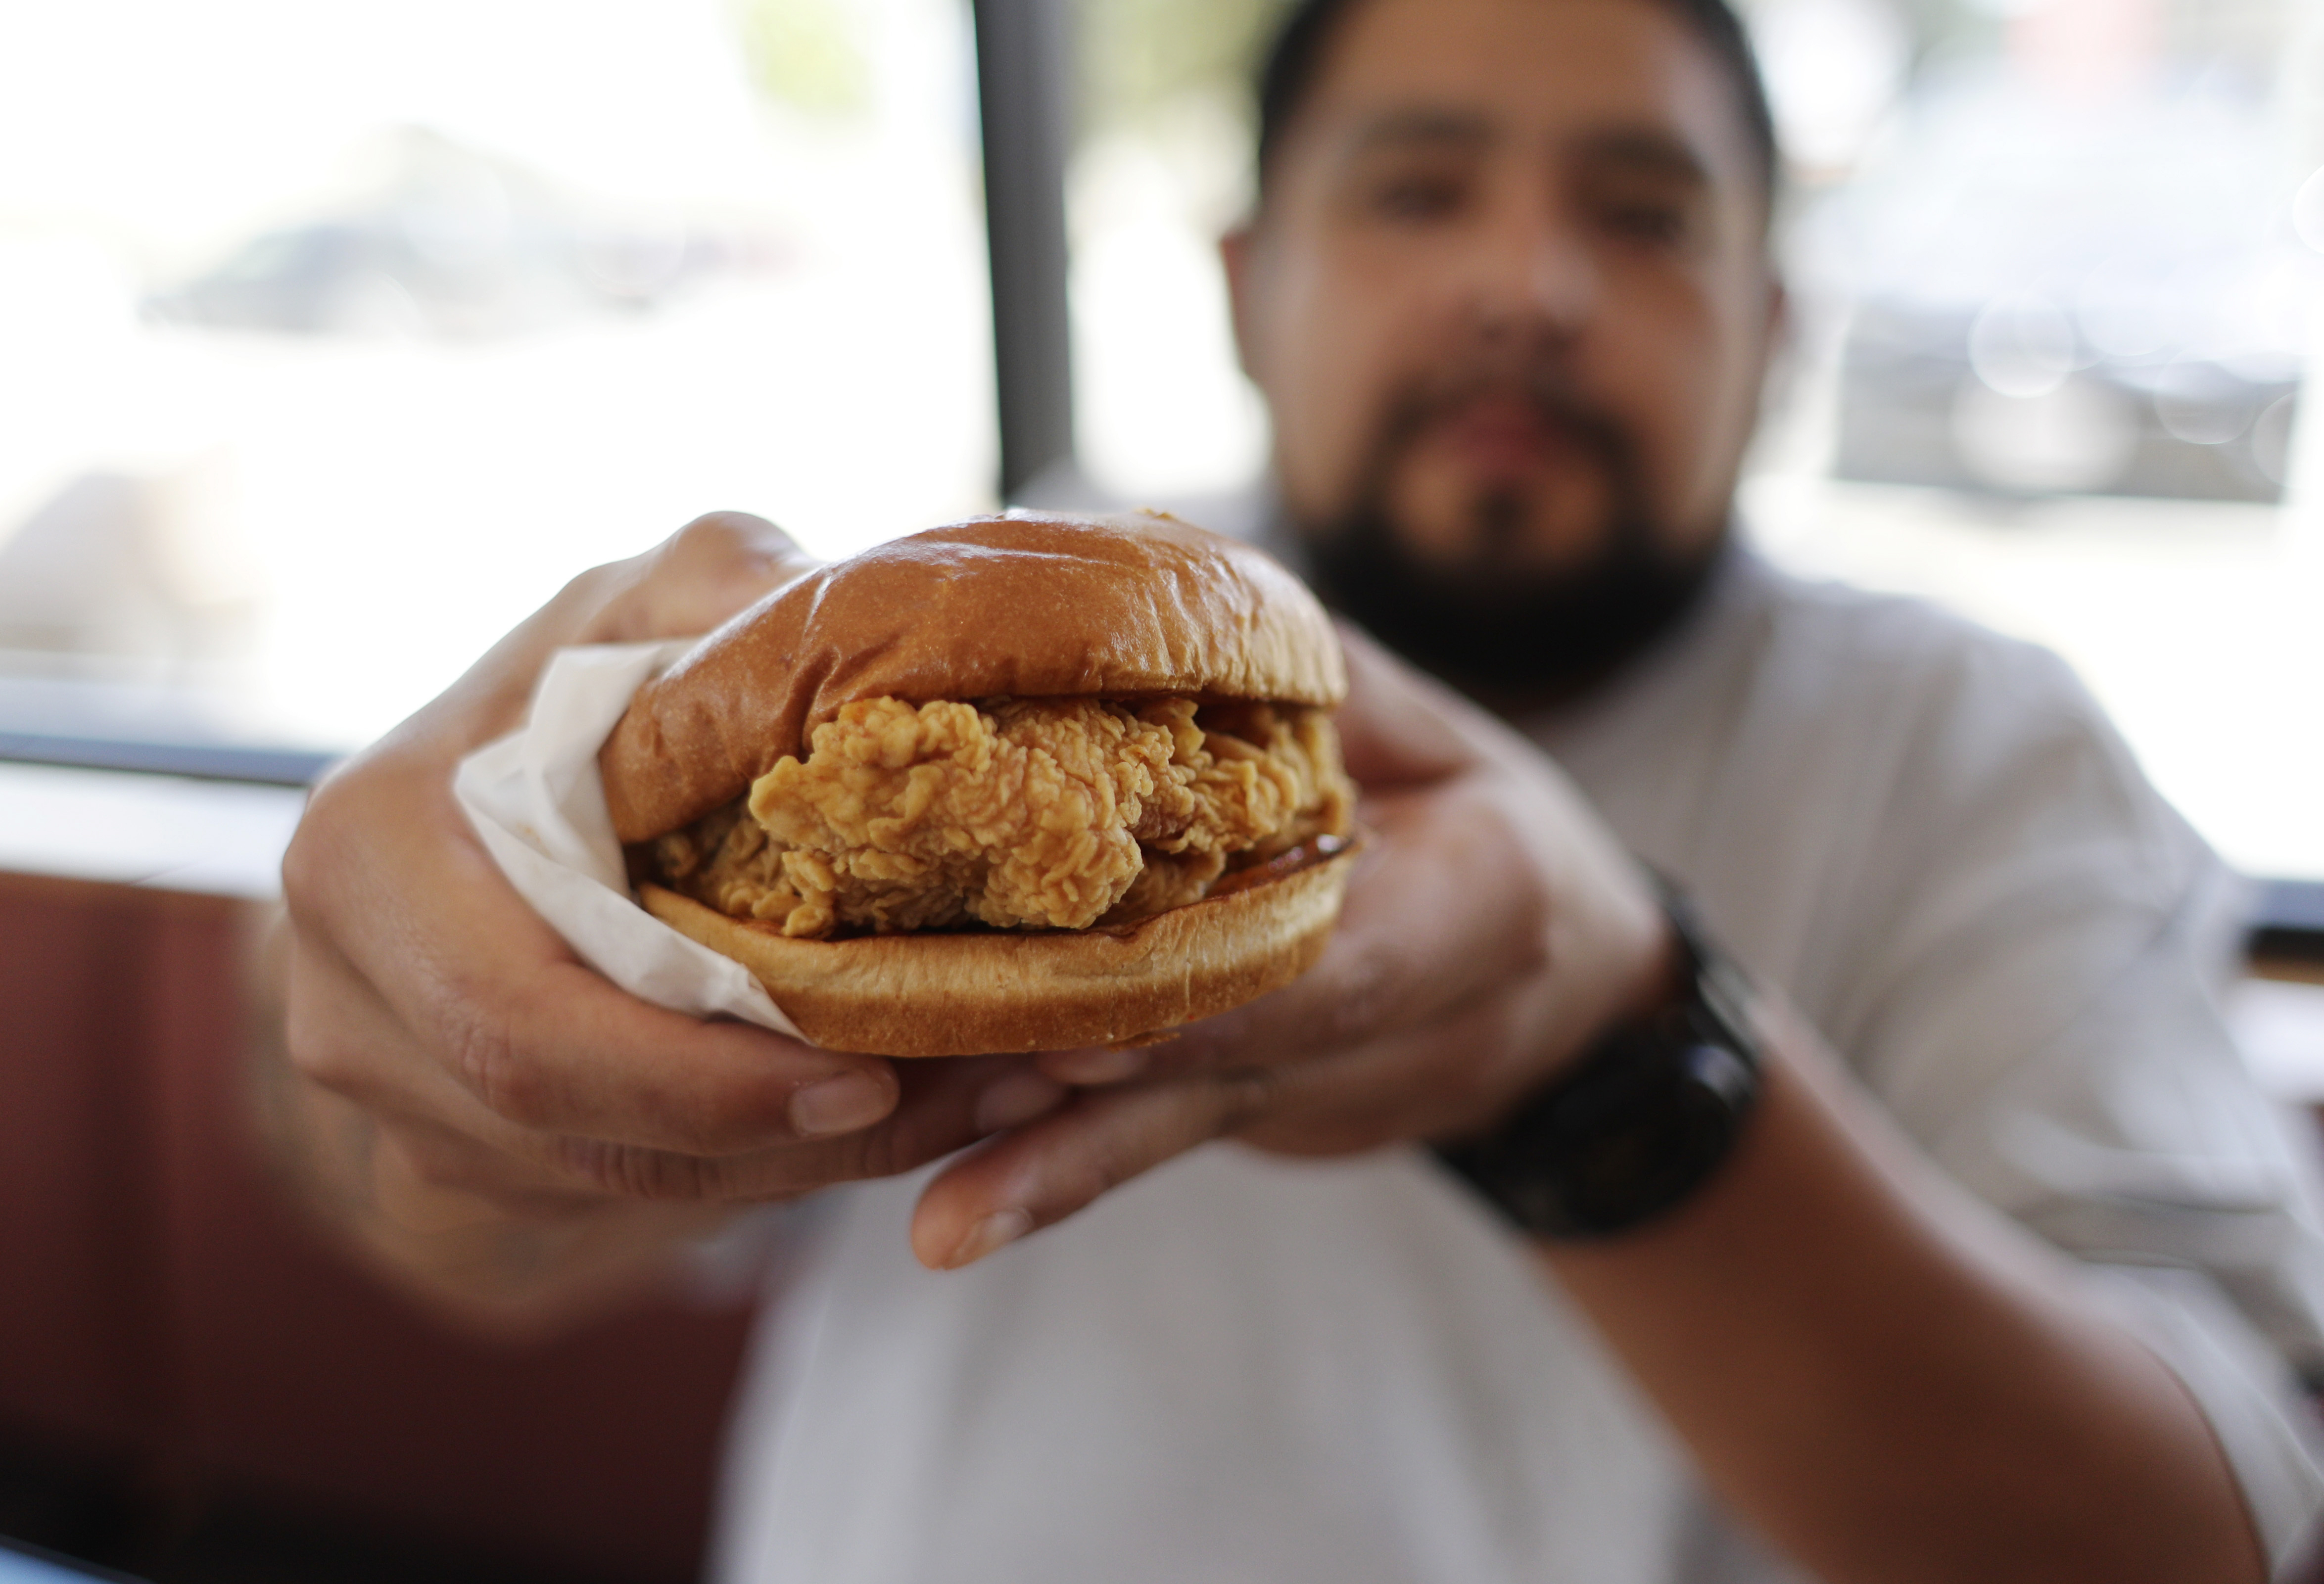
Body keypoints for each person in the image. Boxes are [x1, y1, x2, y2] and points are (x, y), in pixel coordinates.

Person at [270, 0, 2324, 1578]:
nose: (1527, 282)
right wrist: (437, 1040)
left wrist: (1607, 1048)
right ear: (1251, 282)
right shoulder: (942, 632)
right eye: (1418, 188)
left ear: (1770, 328)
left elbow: (2206, 1530)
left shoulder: (1975, 761)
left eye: (1640, 212)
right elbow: (452, 1248)